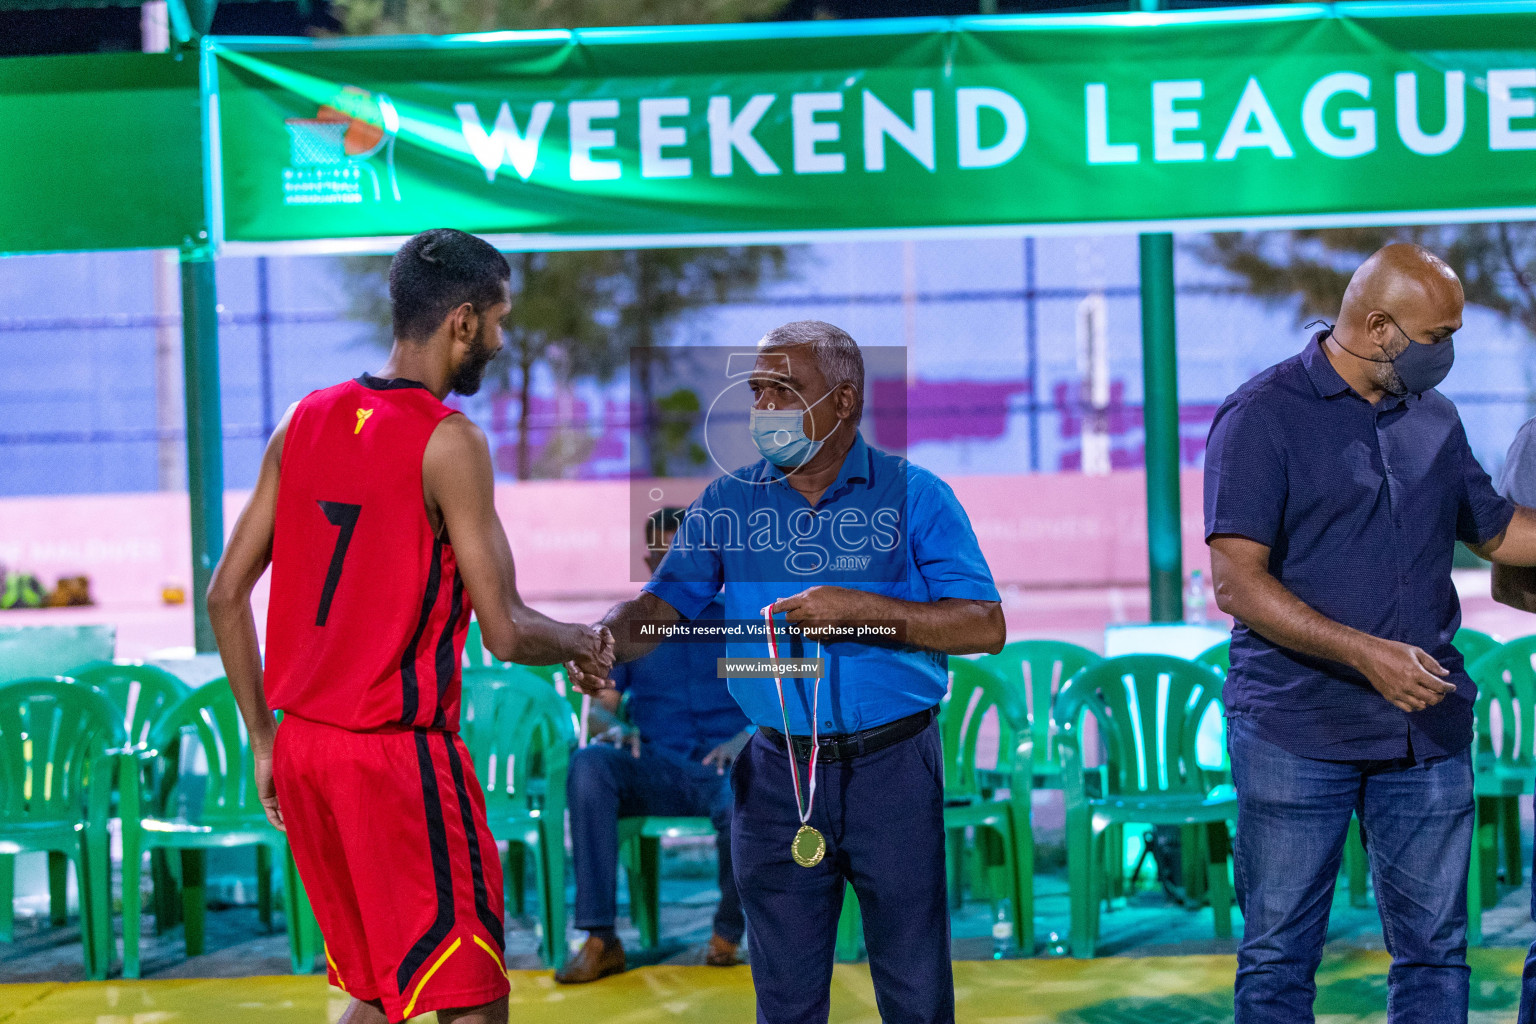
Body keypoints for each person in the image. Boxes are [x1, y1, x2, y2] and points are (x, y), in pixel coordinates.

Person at [207, 228, 613, 1024]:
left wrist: (263, 740)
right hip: (395, 758)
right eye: (498, 320)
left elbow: (225, 595)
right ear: (462, 321)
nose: (500, 340)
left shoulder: (303, 420)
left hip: (303, 752)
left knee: (375, 988)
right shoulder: (450, 442)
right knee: (470, 993)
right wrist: (578, 642)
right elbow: (504, 631)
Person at [569, 320, 1004, 1024]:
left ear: (843, 402)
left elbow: (985, 624)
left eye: (785, 390)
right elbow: (658, 607)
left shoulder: (916, 496)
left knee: (915, 991)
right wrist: (602, 642)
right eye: (758, 390)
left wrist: (865, 612)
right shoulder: (727, 504)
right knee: (787, 1001)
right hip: (773, 774)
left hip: (891, 769)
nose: (765, 406)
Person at [1205, 242, 1536, 1024]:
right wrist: (1365, 653)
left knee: (1435, 956)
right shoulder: (1263, 415)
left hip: (1425, 734)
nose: (1449, 352)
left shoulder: (1436, 420)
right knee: (1280, 959)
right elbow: (1236, 583)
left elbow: (1496, 533)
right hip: (1296, 730)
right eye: (1437, 337)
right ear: (1380, 326)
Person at [555, 507, 751, 983]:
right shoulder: (634, 629)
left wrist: (744, 738)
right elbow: (602, 707)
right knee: (590, 764)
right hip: (657, 764)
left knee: (744, 798)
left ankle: (729, 930)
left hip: (726, 768)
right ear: (649, 563)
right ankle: (601, 936)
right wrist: (611, 727)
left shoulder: (740, 623)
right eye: (665, 557)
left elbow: (779, 706)